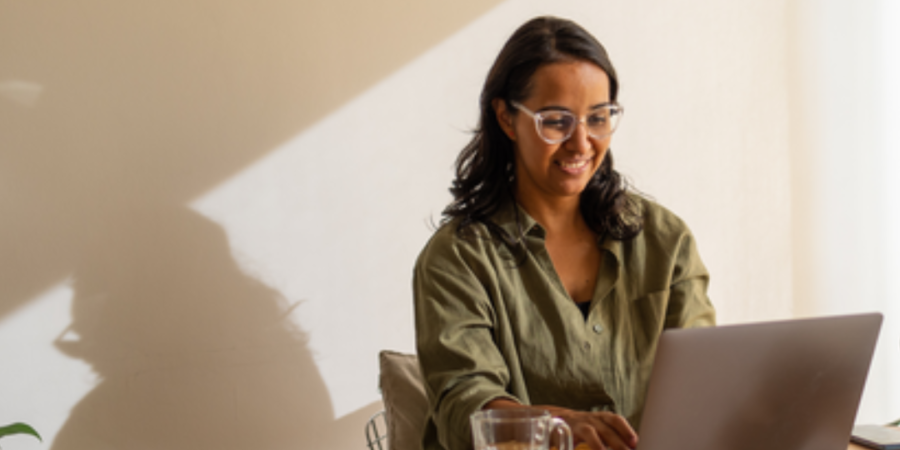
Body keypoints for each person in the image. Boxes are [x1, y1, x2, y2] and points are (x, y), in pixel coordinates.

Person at [413, 16, 715, 450]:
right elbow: (465, 403)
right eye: (556, 121)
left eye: (598, 118)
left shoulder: (665, 241)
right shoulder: (458, 258)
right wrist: (555, 426)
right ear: (506, 118)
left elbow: (704, 380)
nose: (581, 143)